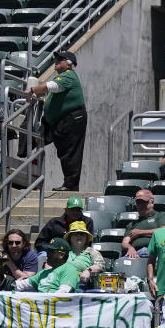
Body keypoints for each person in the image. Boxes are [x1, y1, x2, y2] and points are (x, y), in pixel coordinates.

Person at [27, 51, 86, 191]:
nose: (56, 61)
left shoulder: (68, 76)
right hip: (62, 120)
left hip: (72, 118)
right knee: (63, 150)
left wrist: (31, 90)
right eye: (56, 59)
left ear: (69, 63)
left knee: (70, 152)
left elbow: (50, 86)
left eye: (60, 59)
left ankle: (71, 185)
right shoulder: (63, 77)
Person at [16, 238, 81, 293]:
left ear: (61, 255)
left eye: (51, 251)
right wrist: (11, 284)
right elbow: (21, 285)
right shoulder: (44, 273)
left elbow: (63, 293)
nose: (47, 254)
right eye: (47, 251)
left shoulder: (69, 270)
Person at [120, 189, 165, 258]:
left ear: (152, 202)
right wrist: (130, 248)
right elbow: (125, 243)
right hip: (135, 253)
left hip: (154, 251)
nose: (140, 205)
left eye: (144, 202)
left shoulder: (160, 215)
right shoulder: (132, 224)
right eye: (138, 203)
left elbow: (164, 231)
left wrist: (140, 232)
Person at [65, 220, 104, 288]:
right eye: (75, 234)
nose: (79, 236)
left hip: (84, 284)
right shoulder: (64, 252)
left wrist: (88, 271)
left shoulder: (93, 252)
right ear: (70, 237)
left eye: (82, 234)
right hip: (63, 282)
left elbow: (100, 266)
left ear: (86, 238)